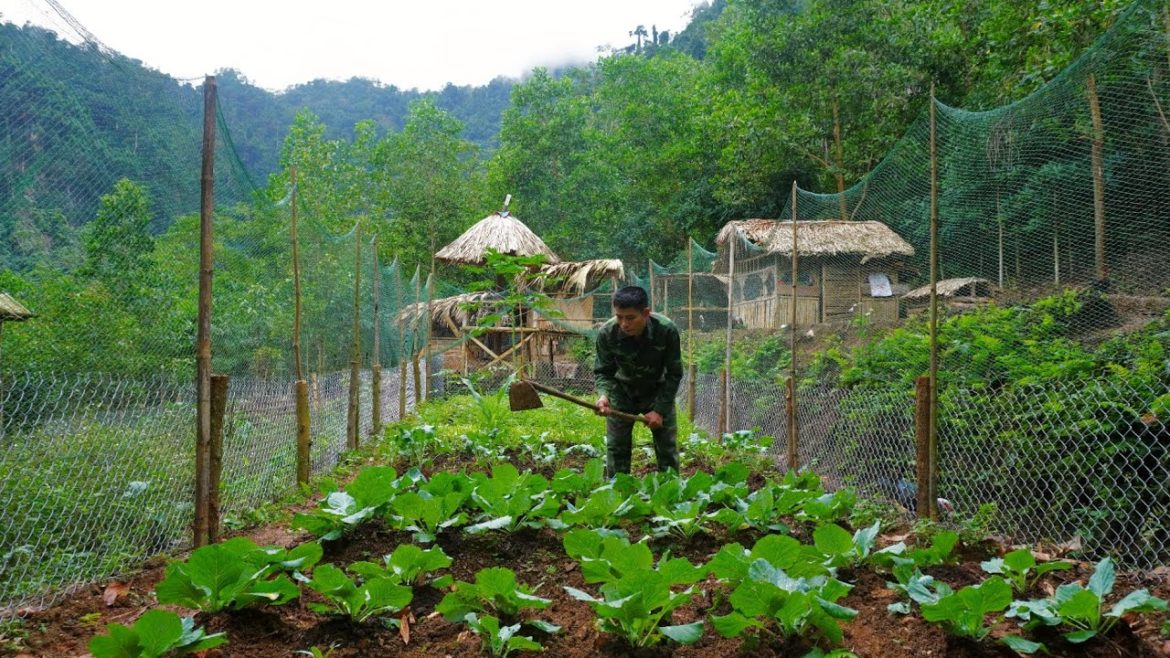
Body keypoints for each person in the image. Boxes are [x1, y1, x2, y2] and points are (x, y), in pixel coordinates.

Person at [594, 285, 683, 477]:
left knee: (667, 450)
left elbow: (674, 373)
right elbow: (604, 371)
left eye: (630, 318)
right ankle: (617, 496)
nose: (624, 324)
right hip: (622, 393)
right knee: (617, 449)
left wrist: (659, 410)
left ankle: (672, 497)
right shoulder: (607, 333)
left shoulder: (666, 330)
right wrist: (604, 395)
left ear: (646, 313)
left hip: (656, 392)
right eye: (619, 317)